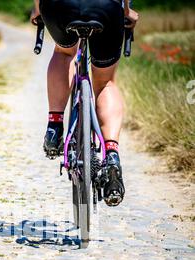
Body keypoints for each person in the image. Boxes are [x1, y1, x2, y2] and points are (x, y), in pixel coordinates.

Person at [31, 0, 139, 206]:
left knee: (64, 53)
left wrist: (37, 9)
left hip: (60, 7)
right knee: (105, 82)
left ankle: (54, 127)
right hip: (106, 7)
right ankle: (112, 155)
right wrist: (126, 11)